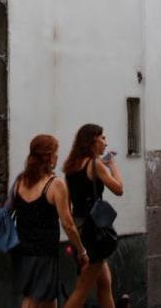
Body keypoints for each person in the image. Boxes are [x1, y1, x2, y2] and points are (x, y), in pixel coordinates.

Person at [13, 134, 89, 308]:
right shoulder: (55, 184)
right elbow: (68, 224)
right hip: (43, 251)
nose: (57, 157)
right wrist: (81, 251)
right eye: (55, 153)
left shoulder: (20, 181)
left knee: (48, 300)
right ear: (48, 157)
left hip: (24, 247)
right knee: (32, 300)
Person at [63, 124, 125, 308]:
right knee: (82, 289)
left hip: (80, 227)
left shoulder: (71, 167)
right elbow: (119, 189)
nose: (106, 142)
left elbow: (69, 205)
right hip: (95, 232)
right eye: (103, 138)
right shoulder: (95, 164)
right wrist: (112, 165)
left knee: (104, 283)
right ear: (92, 141)